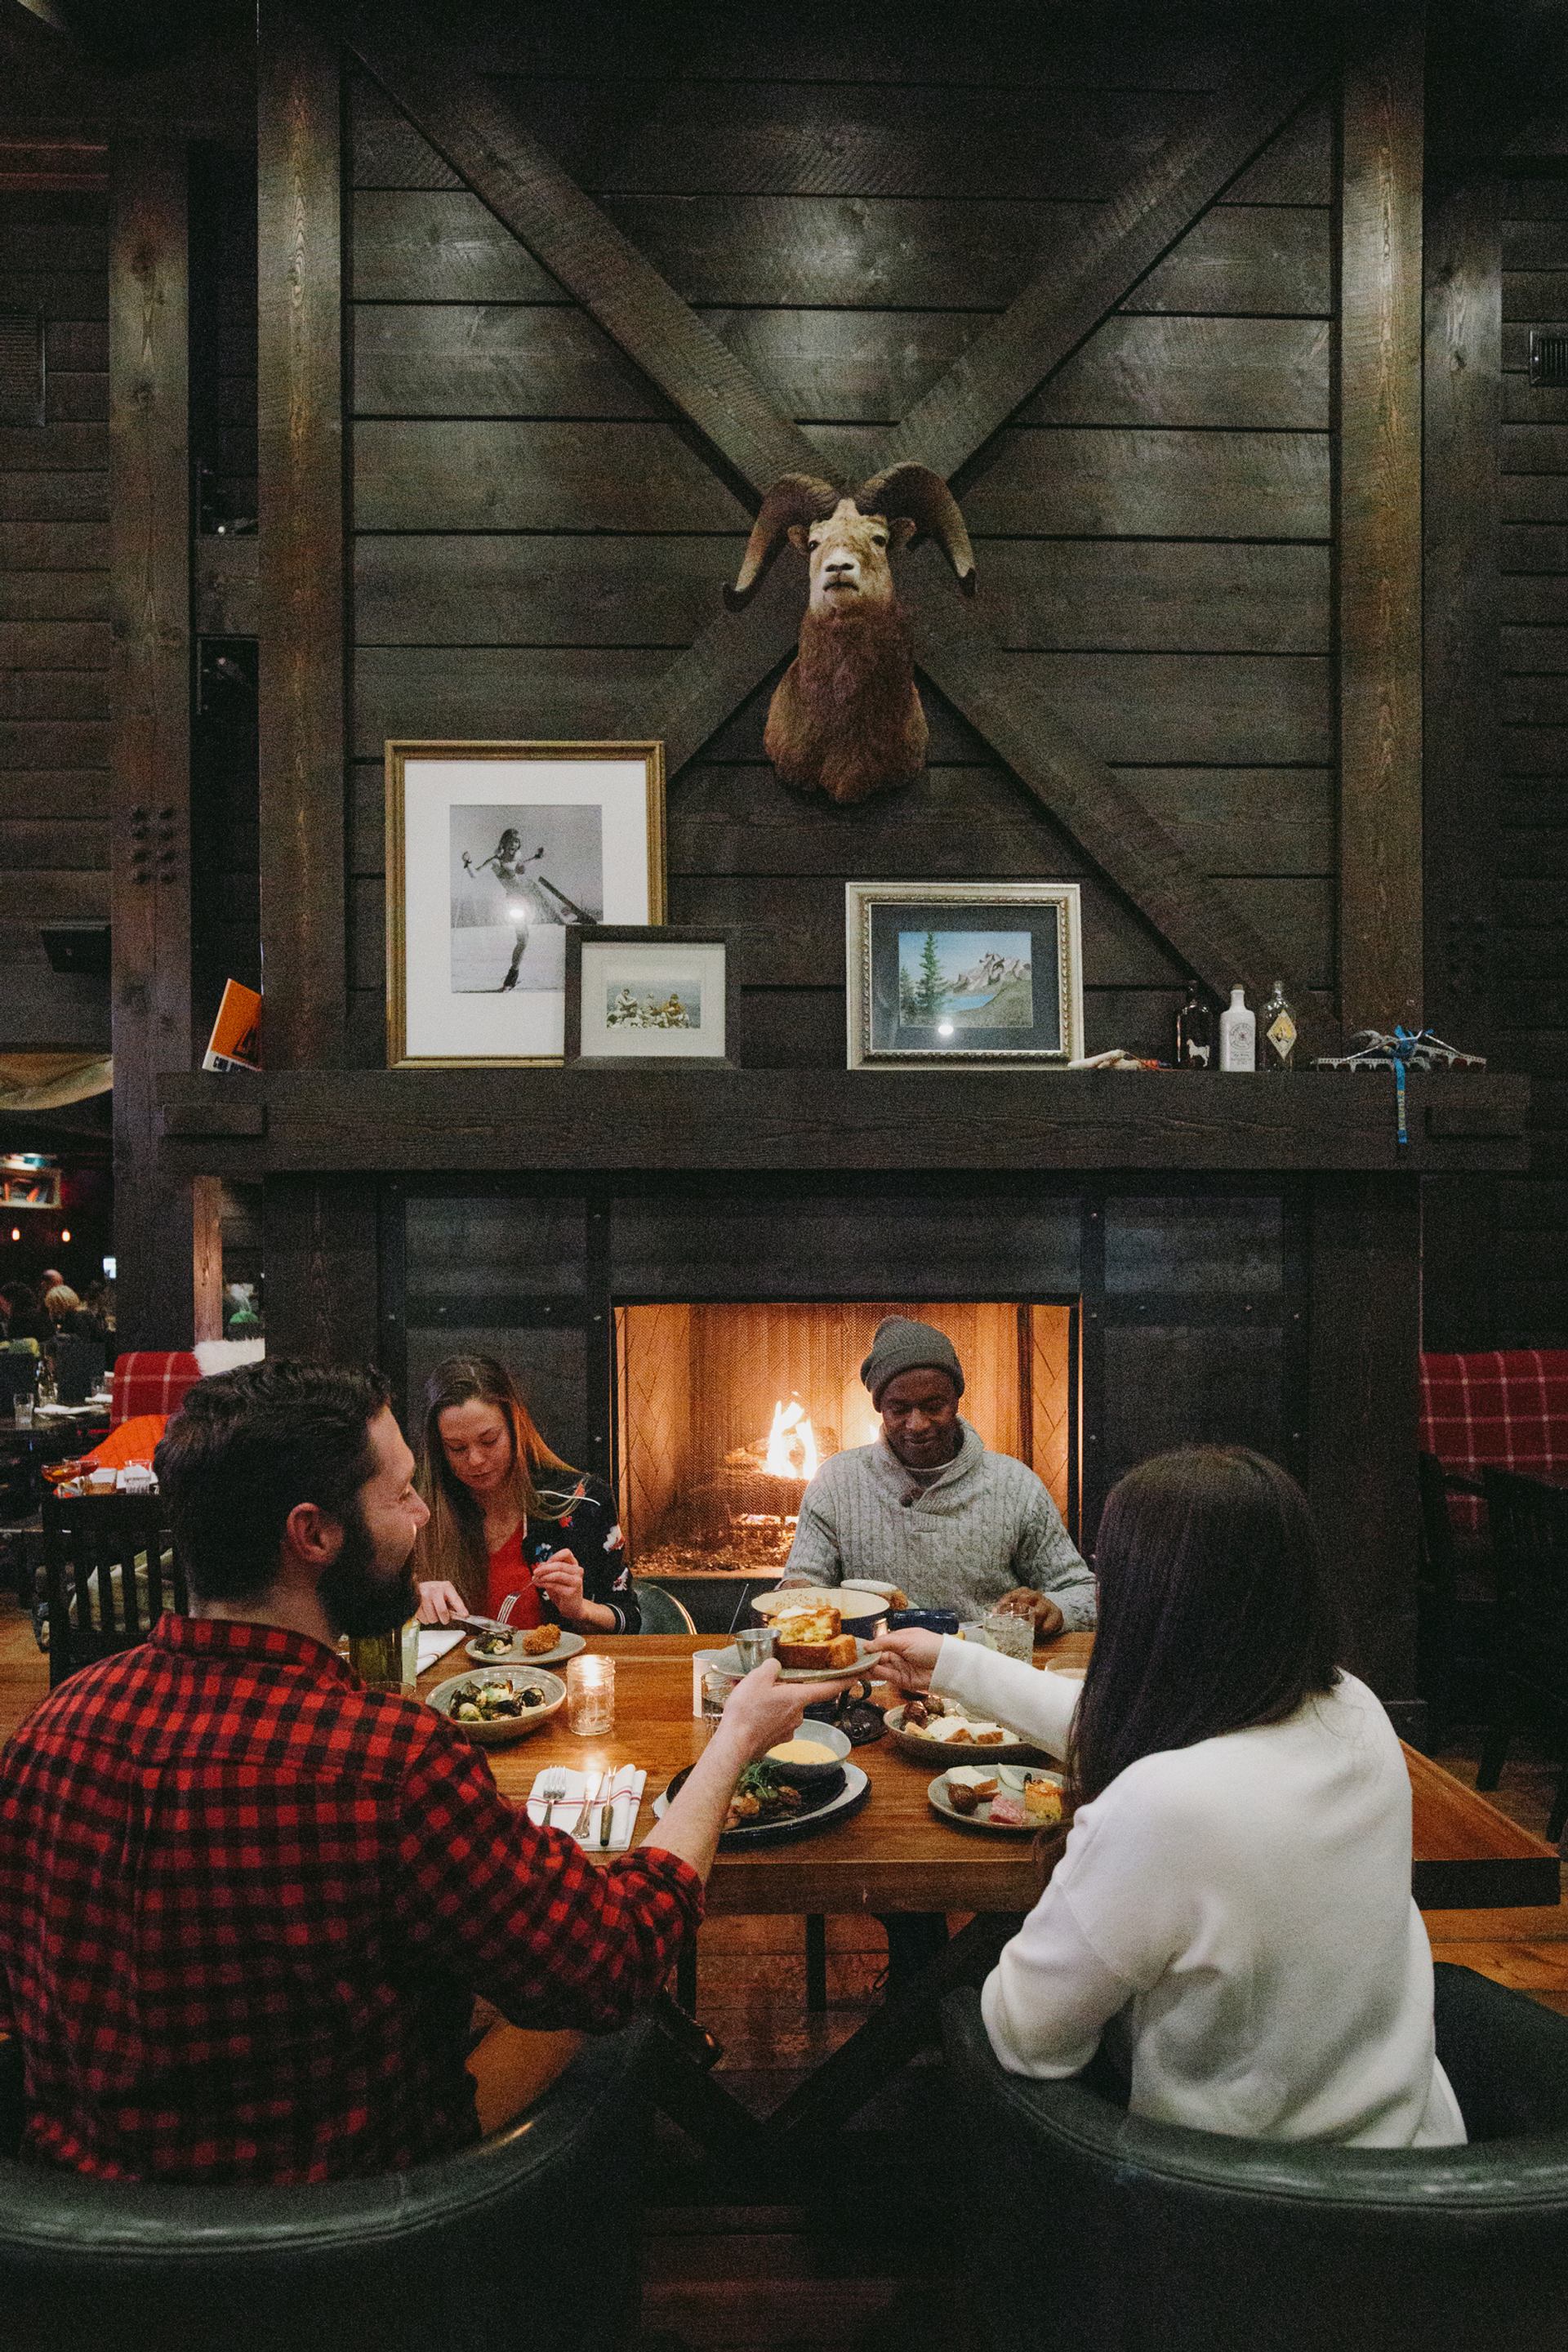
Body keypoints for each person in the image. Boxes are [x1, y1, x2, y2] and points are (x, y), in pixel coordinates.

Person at [0, 1358, 831, 2181]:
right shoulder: (389, 1764)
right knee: (594, 2002)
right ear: (314, 1535)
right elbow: (612, 1961)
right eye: (400, 1493)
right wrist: (731, 1745)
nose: (424, 1511)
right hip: (361, 2224)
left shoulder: (49, 1735)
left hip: (100, 2252)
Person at [872, 1446, 1466, 2147]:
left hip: (1234, 2206)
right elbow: (1155, 1736)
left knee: (963, 2010)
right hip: (1412, 2153)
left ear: (1152, 1603)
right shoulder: (1355, 1709)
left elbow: (1027, 2038)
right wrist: (955, 1664)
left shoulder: (1166, 1804)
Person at [784, 1316, 1096, 1640]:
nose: (917, 1424)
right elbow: (799, 1590)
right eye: (899, 1409)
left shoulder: (1014, 1484)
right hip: (875, 1669)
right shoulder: (837, 1482)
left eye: (934, 1406)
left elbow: (1083, 1594)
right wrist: (796, 1594)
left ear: (957, 1399)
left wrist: (1055, 1610)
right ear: (880, 1408)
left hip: (984, 1668)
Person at [413, 1354, 639, 1633]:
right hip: (452, 1677)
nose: (475, 1460)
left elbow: (628, 1621)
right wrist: (410, 1600)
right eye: (456, 1448)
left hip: (555, 1675)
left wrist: (580, 1610)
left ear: (515, 1429)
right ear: (439, 1450)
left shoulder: (583, 1502)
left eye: (489, 1441)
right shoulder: (417, 1512)